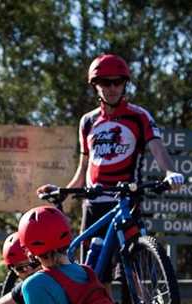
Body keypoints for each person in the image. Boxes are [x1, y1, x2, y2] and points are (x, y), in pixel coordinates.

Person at [37, 53, 184, 273]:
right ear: (95, 86)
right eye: (105, 82)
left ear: (125, 84)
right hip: (94, 204)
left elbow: (157, 148)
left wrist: (170, 172)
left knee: (130, 267)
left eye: (118, 82)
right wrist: (63, 190)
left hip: (125, 201)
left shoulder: (139, 116)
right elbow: (85, 167)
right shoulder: (88, 121)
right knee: (95, 273)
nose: (112, 87)